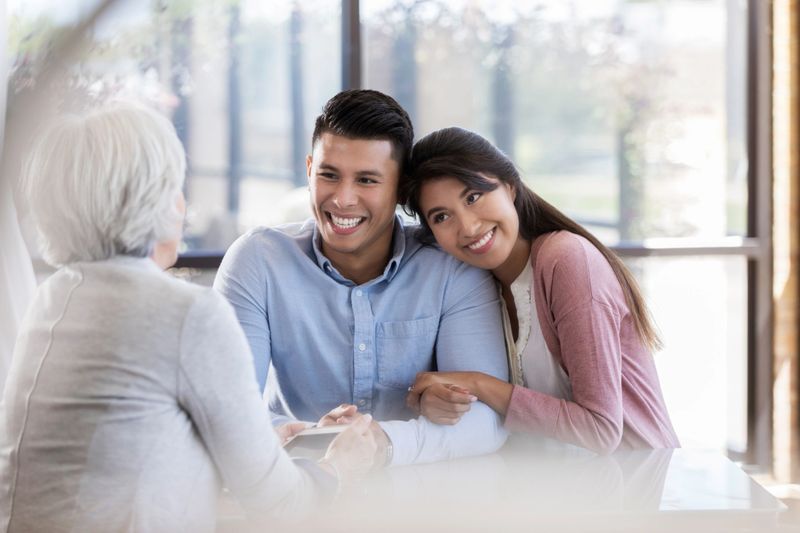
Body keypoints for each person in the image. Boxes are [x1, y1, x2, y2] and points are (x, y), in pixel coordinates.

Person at [0, 104, 376, 533]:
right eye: (174, 187)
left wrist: (262, 442)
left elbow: (119, 447)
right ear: (153, 202)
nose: (182, 204)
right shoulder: (185, 313)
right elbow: (281, 506)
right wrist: (337, 468)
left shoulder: (54, 298)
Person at [214, 90, 509, 467]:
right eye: (329, 175)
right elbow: (228, 411)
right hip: (295, 497)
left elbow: (487, 421)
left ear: (402, 188)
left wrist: (381, 442)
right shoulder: (257, 262)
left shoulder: (450, 267)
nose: (343, 199)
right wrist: (311, 436)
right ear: (308, 171)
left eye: (367, 180)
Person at [402, 127, 680, 455]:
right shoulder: (476, 284)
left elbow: (601, 430)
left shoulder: (566, 260)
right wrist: (437, 400)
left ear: (509, 186)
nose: (468, 227)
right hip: (558, 493)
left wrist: (479, 384)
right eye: (442, 216)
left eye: (473, 197)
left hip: (637, 486)